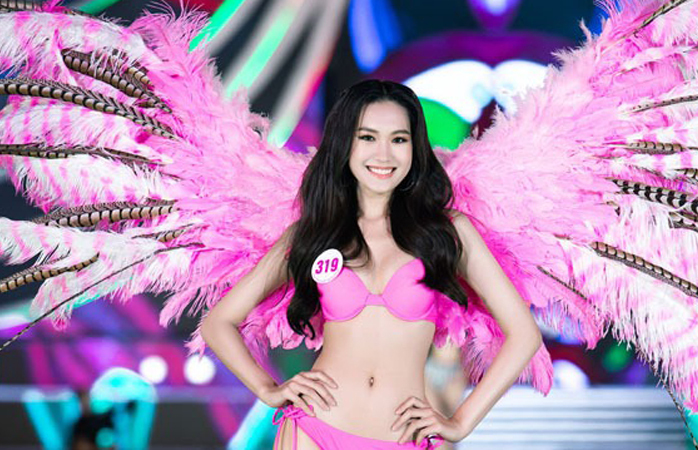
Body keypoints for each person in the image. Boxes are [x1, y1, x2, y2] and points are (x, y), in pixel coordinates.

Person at [200, 80, 542, 449]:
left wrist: (460, 422)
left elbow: (524, 335)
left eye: (399, 139)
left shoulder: (449, 233)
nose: (384, 154)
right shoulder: (314, 234)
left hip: (402, 438)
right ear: (345, 143)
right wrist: (268, 389)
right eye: (367, 137)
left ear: (415, 147)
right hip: (315, 430)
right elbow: (218, 323)